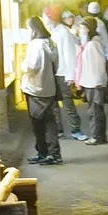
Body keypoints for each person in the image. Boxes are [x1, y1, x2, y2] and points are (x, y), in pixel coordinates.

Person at [21, 17, 61, 164]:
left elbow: (32, 66)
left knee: (38, 123)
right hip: (48, 87)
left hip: (35, 88)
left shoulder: (35, 45)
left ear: (33, 29)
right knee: (49, 121)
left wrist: (22, 65)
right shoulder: (50, 43)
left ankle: (44, 152)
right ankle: (53, 153)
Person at [48, 11, 88, 141]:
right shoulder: (53, 31)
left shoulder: (64, 32)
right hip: (53, 72)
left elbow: (70, 54)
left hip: (62, 72)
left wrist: (70, 75)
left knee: (67, 102)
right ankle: (58, 130)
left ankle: (75, 129)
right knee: (54, 103)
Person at [73, 16, 108, 145]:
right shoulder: (91, 42)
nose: (81, 30)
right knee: (94, 109)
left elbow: (99, 63)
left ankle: (97, 136)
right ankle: (99, 135)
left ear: (88, 29)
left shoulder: (94, 43)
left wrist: (99, 81)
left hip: (94, 82)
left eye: (83, 27)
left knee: (95, 110)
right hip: (91, 81)